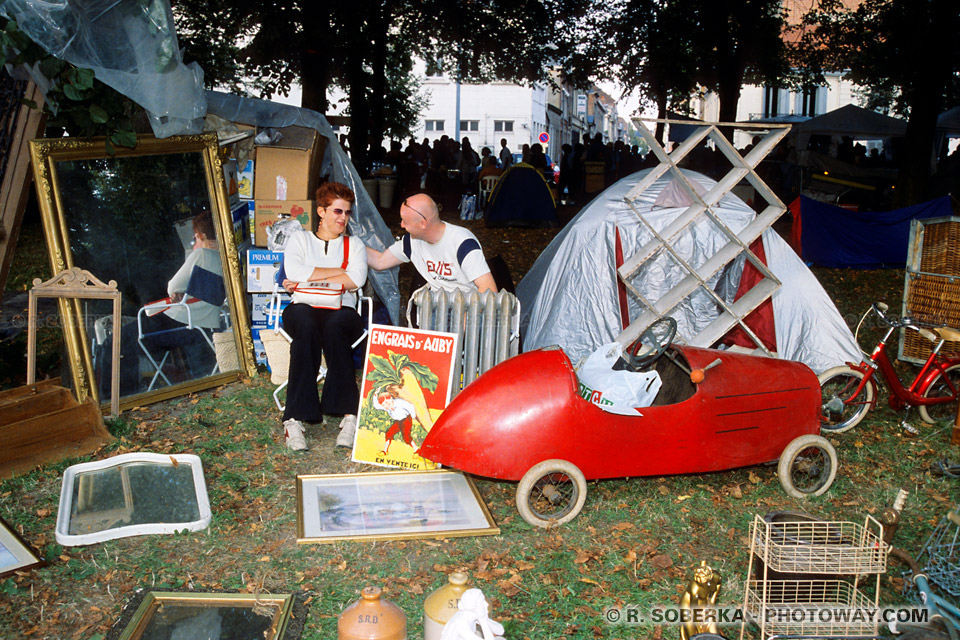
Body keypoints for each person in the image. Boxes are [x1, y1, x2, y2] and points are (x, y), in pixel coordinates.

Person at [280, 182, 368, 451]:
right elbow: (292, 270)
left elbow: (357, 279)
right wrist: (337, 276)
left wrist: (308, 275)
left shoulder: (355, 245)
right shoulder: (300, 240)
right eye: (337, 211)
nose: (343, 218)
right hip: (303, 306)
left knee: (336, 327)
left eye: (347, 213)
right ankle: (294, 418)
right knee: (305, 327)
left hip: (343, 309)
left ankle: (348, 414)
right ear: (321, 211)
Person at [365, 193, 497, 293]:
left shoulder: (462, 243)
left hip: (468, 308)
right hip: (436, 307)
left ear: (423, 223)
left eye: (405, 221)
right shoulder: (411, 242)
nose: (402, 225)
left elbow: (489, 289)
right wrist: (350, 243)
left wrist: (465, 321)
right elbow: (380, 262)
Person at [373, 387, 422, 456]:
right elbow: (376, 406)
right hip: (397, 421)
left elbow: (410, 407)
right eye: (384, 405)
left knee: (406, 436)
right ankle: (385, 450)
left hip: (406, 420)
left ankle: (416, 450)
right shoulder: (387, 408)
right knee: (389, 433)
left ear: (390, 398)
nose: (386, 406)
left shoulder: (399, 402)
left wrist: (413, 416)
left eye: (387, 403)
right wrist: (375, 394)